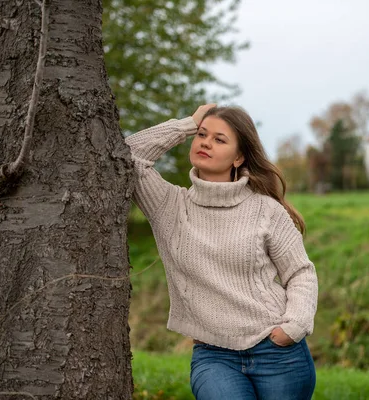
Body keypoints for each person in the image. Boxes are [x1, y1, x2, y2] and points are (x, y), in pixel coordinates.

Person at [124, 104, 318, 399]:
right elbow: (127, 155)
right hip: (214, 356)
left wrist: (294, 326)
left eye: (219, 139)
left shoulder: (265, 210)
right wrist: (188, 123)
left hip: (277, 352)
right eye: (202, 135)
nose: (205, 142)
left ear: (239, 157)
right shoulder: (169, 206)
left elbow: (300, 272)